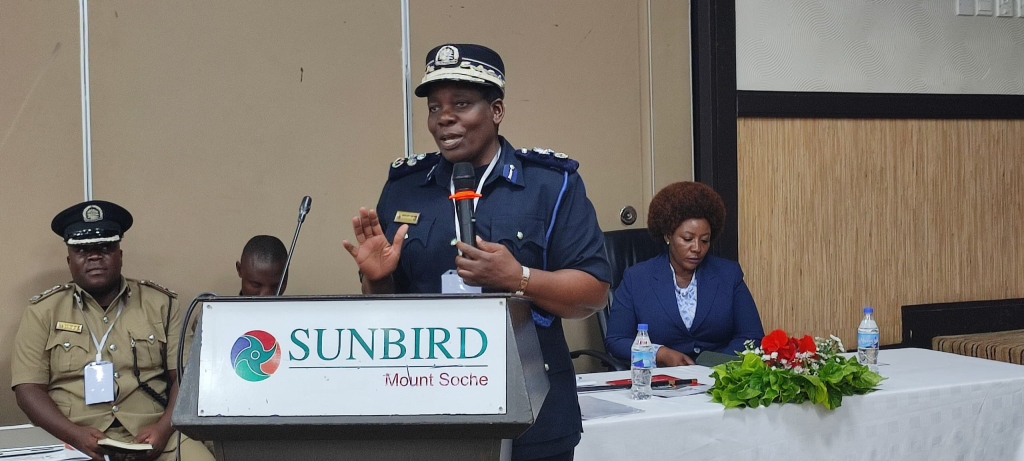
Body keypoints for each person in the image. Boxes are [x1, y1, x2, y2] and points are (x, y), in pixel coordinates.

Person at [342, 44, 610, 461]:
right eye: (435, 107)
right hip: (427, 407)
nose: (443, 117)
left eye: (461, 104)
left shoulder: (550, 185)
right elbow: (384, 312)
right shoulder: (405, 187)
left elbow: (593, 293)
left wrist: (519, 278)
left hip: (533, 412)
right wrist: (378, 280)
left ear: (496, 110)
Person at [11, 201, 213, 461]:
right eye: (82, 250)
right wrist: (74, 434)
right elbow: (28, 390)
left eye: (105, 247)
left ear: (120, 254)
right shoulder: (43, 311)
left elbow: (185, 379)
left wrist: (163, 430)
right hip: (72, 437)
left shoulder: (162, 304)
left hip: (154, 432)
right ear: (69, 260)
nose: (95, 256)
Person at [604, 182, 764, 366]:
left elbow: (751, 336)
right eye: (687, 239)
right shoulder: (637, 278)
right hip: (660, 376)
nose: (697, 248)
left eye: (705, 240)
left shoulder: (728, 274)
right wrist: (660, 353)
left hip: (717, 375)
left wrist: (714, 364)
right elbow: (616, 340)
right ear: (668, 236)